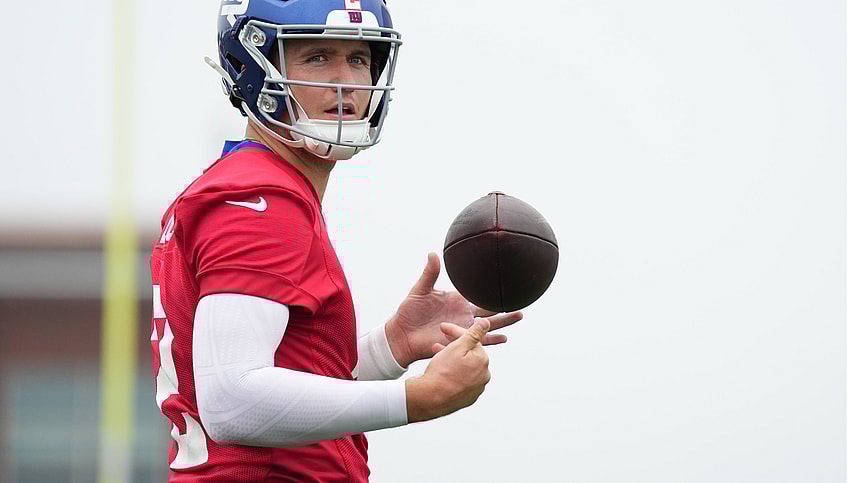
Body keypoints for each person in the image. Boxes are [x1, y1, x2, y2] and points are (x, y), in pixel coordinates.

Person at [150, 0, 523, 481]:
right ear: (251, 67)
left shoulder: (255, 189)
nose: (346, 80)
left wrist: (392, 347)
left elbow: (283, 391)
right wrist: (418, 398)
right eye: (317, 57)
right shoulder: (258, 200)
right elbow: (232, 401)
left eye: (359, 59)